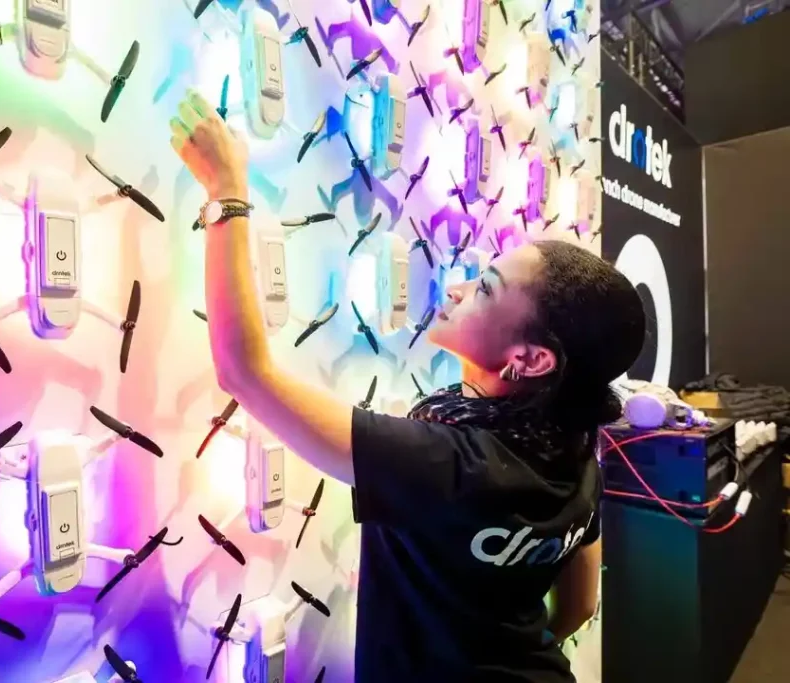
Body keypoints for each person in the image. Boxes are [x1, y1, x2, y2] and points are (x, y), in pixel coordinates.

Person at [169, 89, 646, 681]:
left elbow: (245, 372)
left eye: (487, 288)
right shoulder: (573, 451)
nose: (456, 288)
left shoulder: (451, 467)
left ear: (529, 359)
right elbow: (579, 606)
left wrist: (226, 191)